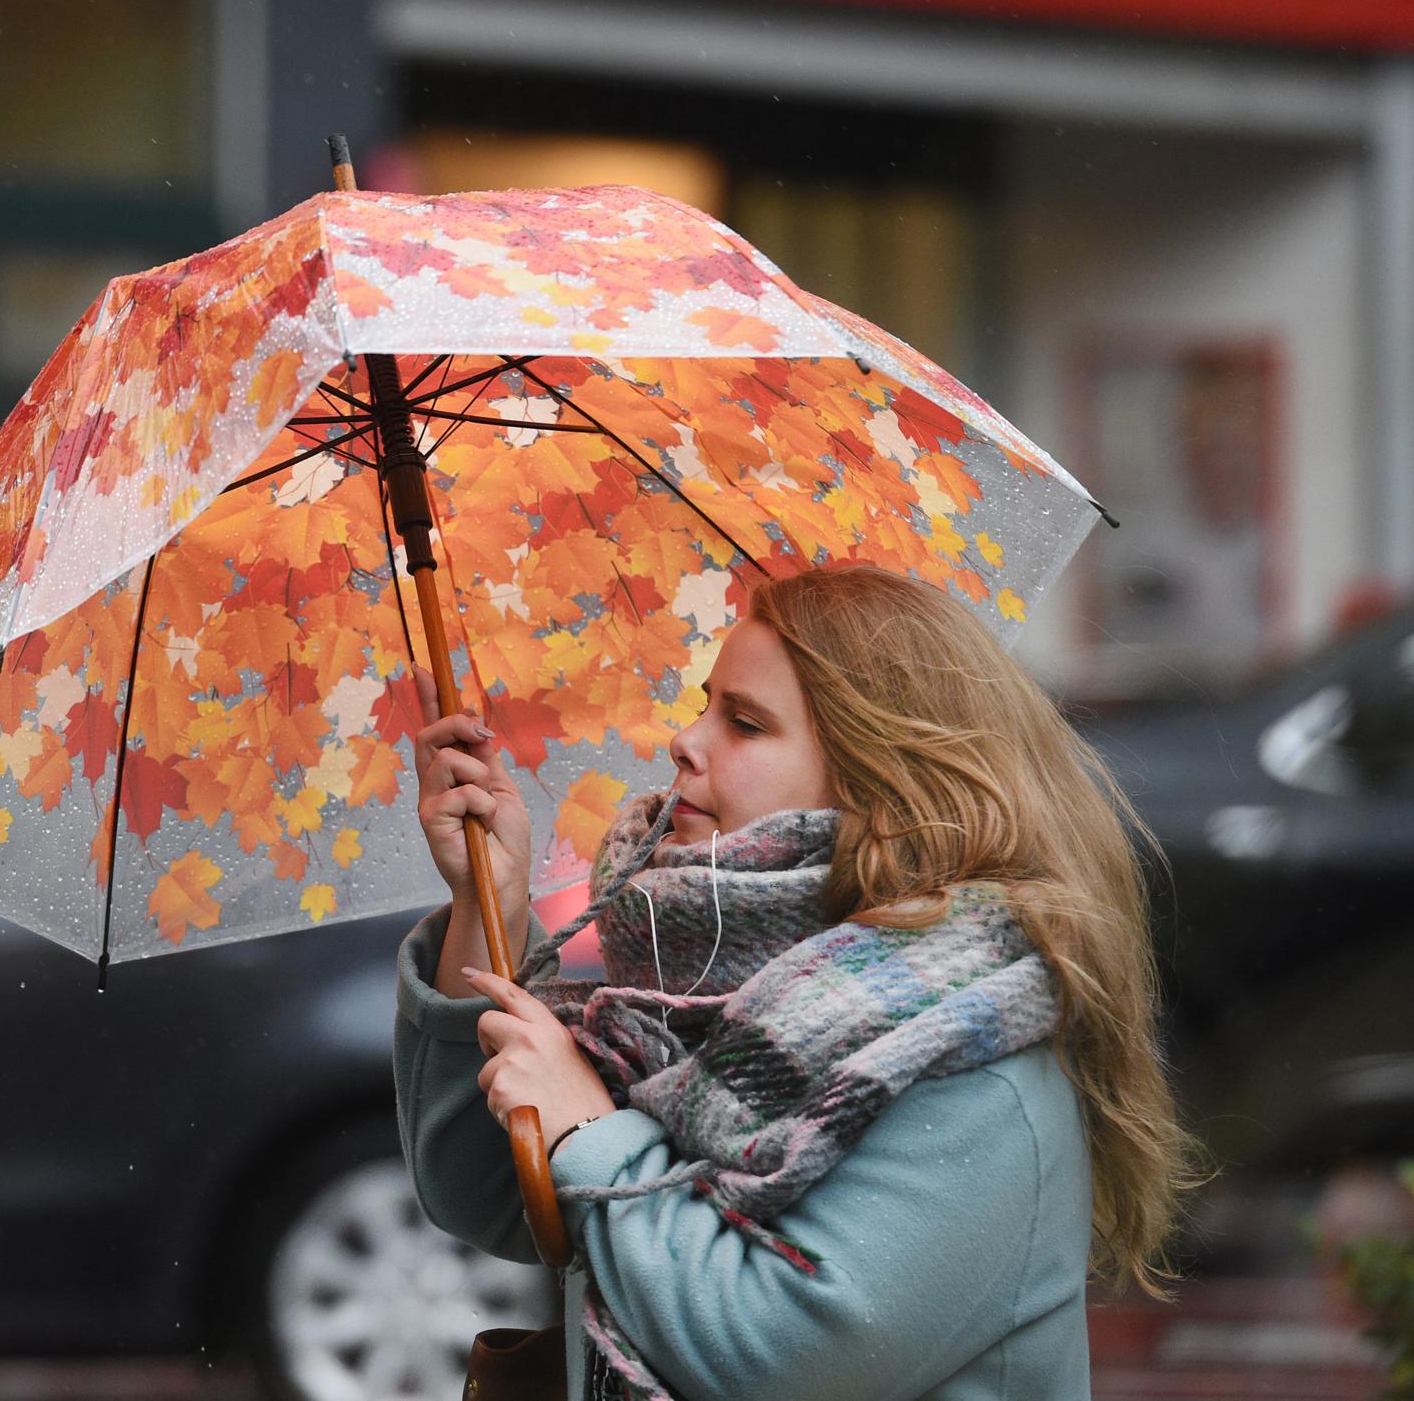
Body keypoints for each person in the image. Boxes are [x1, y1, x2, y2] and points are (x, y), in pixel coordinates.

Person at [394, 563, 1210, 1401]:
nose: (686, 740)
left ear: (881, 773)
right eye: (706, 703)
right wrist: (485, 905)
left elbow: (774, 1356)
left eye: (744, 722)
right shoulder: (705, 985)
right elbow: (489, 1191)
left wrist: (591, 1133)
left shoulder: (975, 1056)